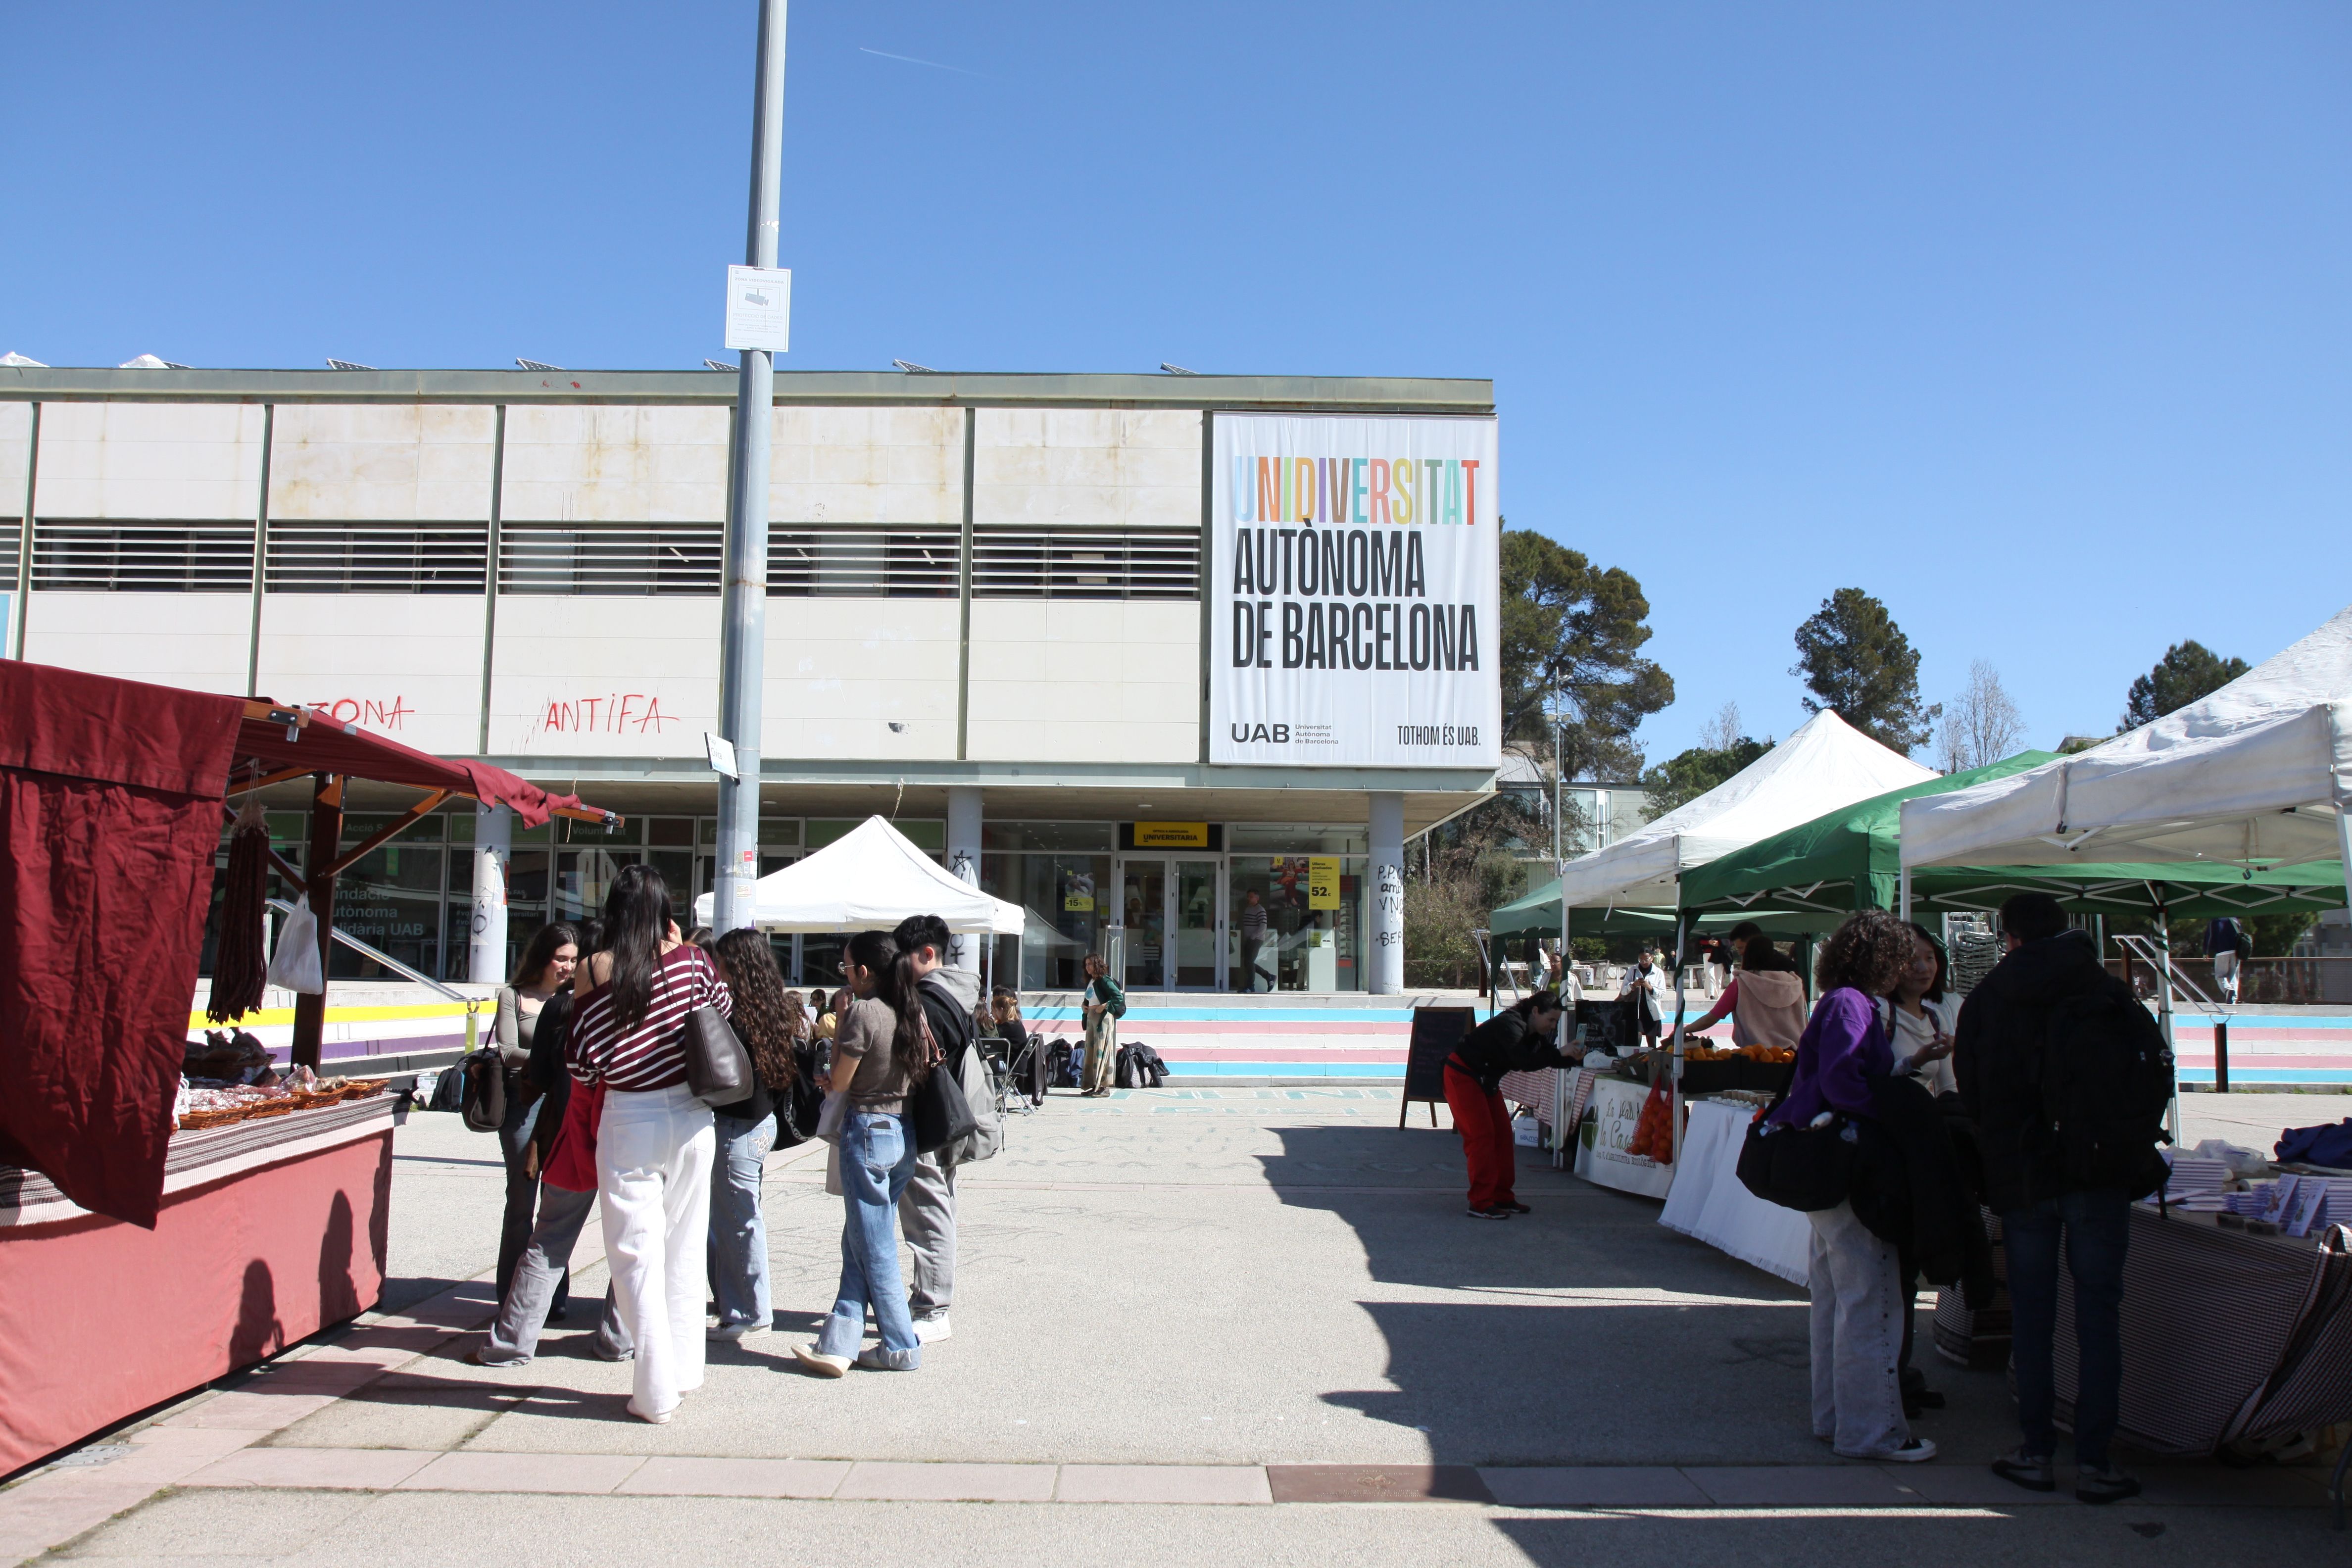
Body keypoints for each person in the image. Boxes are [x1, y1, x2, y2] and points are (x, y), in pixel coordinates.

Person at [1957, 892, 2156, 1504]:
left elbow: (1972, 1086)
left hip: (2024, 1176)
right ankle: (2095, 1461)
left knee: (2034, 1317)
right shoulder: (2107, 991)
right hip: (2098, 1173)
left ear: (2008, 935)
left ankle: (2037, 1450)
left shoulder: (1991, 996)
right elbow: (2153, 1075)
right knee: (2099, 1317)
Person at [1765, 909, 1935, 1465]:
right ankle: (1872, 1431)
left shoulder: (1844, 1002)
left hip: (1830, 1169)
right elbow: (1843, 1080)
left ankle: (1838, 1419)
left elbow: (1841, 1075)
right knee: (1871, 1302)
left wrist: (1904, 1068)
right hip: (1849, 1169)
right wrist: (1888, 1113)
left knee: (1839, 1299)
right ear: (1881, 959)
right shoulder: (1852, 1004)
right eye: (1902, 955)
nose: (1911, 966)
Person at [566, 865, 729, 1424]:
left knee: (633, 1253)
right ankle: (684, 1371)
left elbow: (581, 1059)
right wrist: (681, 950)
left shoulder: (593, 970)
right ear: (666, 913)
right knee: (683, 1248)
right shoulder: (693, 964)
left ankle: (655, 1386)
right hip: (691, 1115)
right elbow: (720, 1017)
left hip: (629, 1114)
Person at [472, 921, 634, 1369]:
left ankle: (513, 1339)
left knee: (549, 1236)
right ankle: (616, 1338)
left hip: (573, 1129)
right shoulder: (639, 1005)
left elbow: (538, 1076)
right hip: (628, 1132)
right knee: (633, 1238)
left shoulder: (564, 1008)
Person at [794, 929, 925, 1375]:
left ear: (864, 972)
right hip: (903, 1130)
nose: (845, 974)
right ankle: (839, 1342)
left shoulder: (865, 1013)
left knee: (874, 1245)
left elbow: (842, 1080)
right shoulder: (908, 1007)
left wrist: (836, 1048)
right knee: (861, 1239)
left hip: (868, 1128)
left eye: (846, 968)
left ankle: (901, 1344)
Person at [704, 929, 801, 1342]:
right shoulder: (774, 1007)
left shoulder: (731, 1013)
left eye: (721, 961)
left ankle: (750, 1311)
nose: (717, 968)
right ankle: (738, 1304)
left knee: (738, 1220)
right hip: (763, 1122)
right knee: (739, 1216)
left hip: (736, 1126)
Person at [893, 913, 977, 1342]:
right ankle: (928, 1299)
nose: (896, 965)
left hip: (926, 1118)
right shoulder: (958, 994)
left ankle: (932, 1308)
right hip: (951, 1117)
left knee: (928, 1211)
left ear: (927, 954)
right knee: (941, 1201)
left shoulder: (926, 1001)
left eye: (901, 956)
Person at [491, 924, 579, 1307]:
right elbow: (508, 1050)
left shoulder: (578, 997)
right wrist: (550, 1059)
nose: (568, 967)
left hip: (561, 1105)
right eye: (562, 959)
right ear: (544, 957)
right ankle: (510, 1291)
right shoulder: (513, 996)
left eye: (574, 960)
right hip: (524, 1104)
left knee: (555, 1203)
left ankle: (551, 1294)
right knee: (522, 1199)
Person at [1445, 989, 1578, 1218]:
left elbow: (1549, 1056)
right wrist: (1561, 1053)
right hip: (1463, 1076)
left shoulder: (1534, 1031)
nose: (1554, 1026)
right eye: (1551, 1020)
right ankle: (1479, 1202)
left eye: (1556, 1021)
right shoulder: (1510, 1025)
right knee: (1482, 1137)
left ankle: (1502, 1197)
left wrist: (1573, 1056)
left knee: (1504, 1136)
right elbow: (1524, 1063)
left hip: (1487, 1079)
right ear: (1535, 1011)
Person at [1685, 928, 1807, 1052]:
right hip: (1794, 1055)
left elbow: (1711, 1018)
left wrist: (1684, 1030)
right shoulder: (1795, 982)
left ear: (1749, 955)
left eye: (1742, 949)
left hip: (1755, 1055)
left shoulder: (1741, 984)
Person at [1079, 952, 1124, 1097]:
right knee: (1091, 1051)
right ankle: (1094, 1085)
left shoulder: (1104, 980)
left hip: (1102, 1018)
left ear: (1097, 964)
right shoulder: (1091, 981)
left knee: (1102, 1051)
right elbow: (1090, 999)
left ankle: (1104, 1087)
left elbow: (1118, 996)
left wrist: (1105, 1006)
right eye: (1086, 965)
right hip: (1092, 1017)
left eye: (1090, 964)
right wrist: (1084, 1007)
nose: (1087, 968)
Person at [992, 987, 1043, 1107]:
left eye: (993, 1010)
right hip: (1019, 1064)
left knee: (985, 1066)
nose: (992, 1013)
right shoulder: (1015, 1023)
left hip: (1012, 1066)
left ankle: (992, 1096)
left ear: (1000, 1010)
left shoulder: (1007, 1027)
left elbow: (993, 1038)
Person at [1621, 947, 1669, 1048]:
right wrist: (1633, 985)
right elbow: (1623, 991)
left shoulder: (1658, 972)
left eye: (1646, 960)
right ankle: (1636, 1058)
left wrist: (1650, 987)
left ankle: (1652, 1060)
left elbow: (1661, 993)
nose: (1643, 962)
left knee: (1651, 1043)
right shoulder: (1633, 970)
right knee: (1636, 1038)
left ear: (1652, 958)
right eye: (1640, 960)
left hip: (1652, 1011)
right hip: (1636, 1010)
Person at [2204, 916, 2249, 1003]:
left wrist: (2206, 952)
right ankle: (2233, 1000)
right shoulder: (2235, 920)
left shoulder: (2214, 921)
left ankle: (2227, 989)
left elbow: (2209, 937)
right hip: (2235, 952)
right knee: (2234, 977)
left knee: (2220, 976)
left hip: (2221, 952)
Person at [1236, 889, 1270, 992]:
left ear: (1257, 898)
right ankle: (1268, 976)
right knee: (1248, 962)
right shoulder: (1248, 909)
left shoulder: (1260, 910)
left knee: (1249, 962)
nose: (1249, 899)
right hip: (1249, 939)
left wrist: (1253, 937)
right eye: (1248, 897)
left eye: (1251, 897)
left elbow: (1263, 926)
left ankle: (1250, 986)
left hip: (1256, 939)